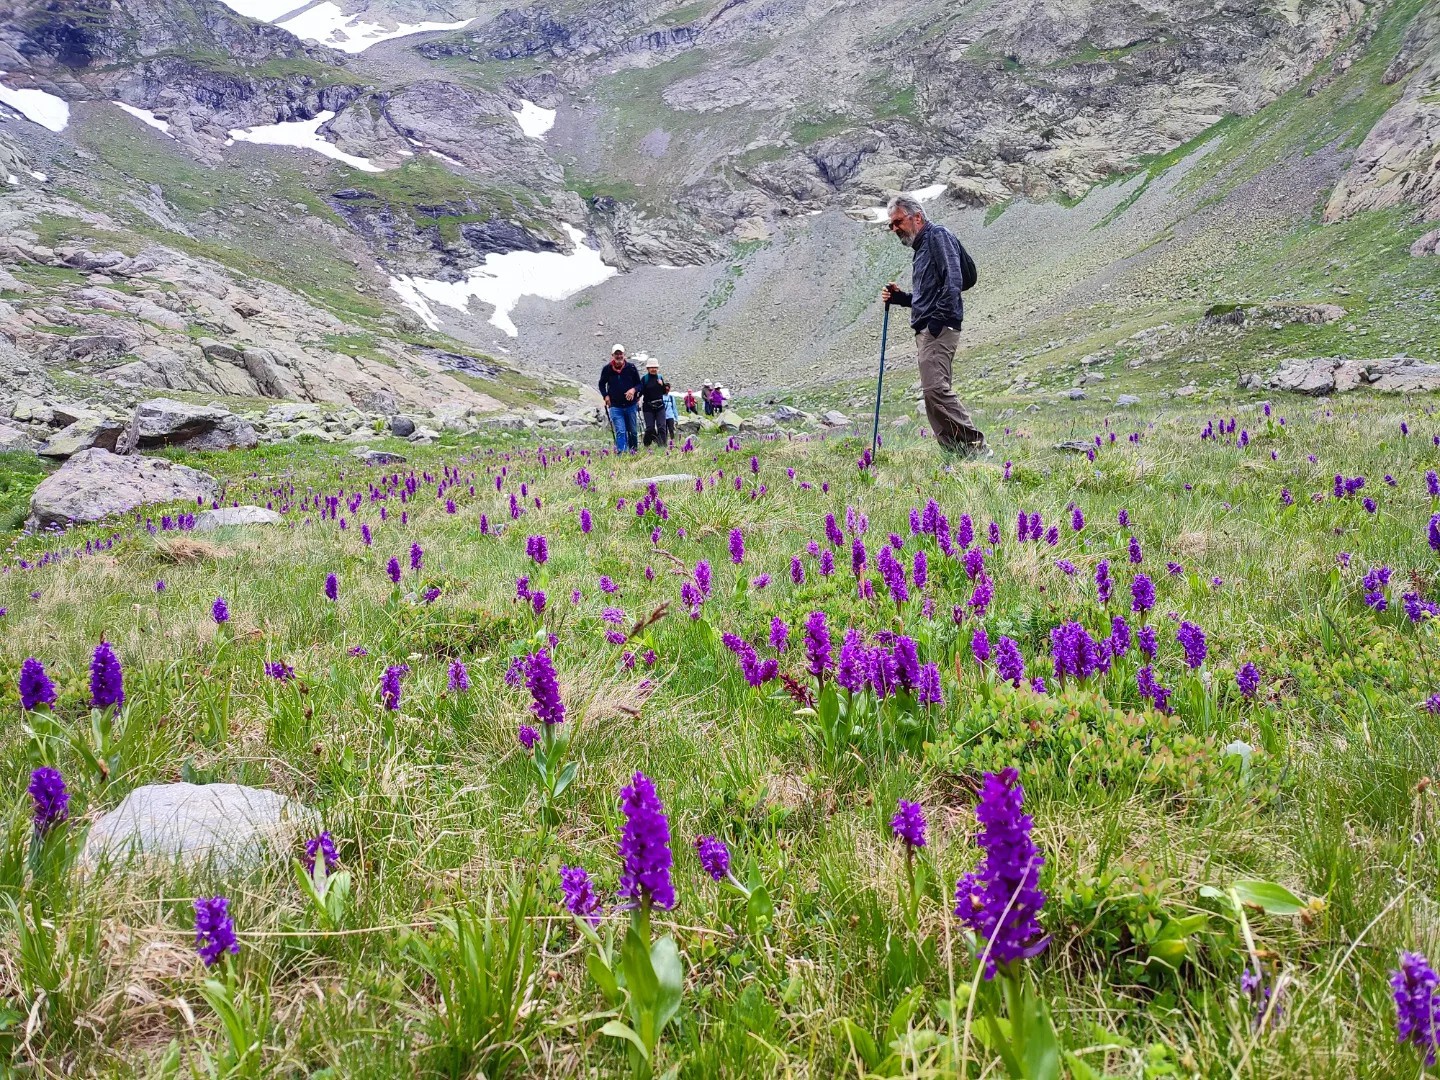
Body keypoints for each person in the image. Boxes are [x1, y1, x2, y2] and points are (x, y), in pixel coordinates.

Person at [881, 194, 988, 456]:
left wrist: (937, 323)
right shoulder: (920, 249)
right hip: (928, 327)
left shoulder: (937, 235)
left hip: (938, 328)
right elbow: (926, 296)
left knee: (935, 389)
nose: (895, 229)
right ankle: (954, 452)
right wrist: (900, 298)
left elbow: (954, 279)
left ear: (916, 217)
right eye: (891, 225)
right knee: (932, 396)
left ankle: (977, 445)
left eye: (898, 222)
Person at [598, 343, 641, 453]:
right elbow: (601, 384)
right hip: (615, 406)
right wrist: (605, 396)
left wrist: (633, 390)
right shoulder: (607, 369)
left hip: (631, 405)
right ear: (612, 355)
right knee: (620, 431)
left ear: (624, 354)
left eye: (620, 353)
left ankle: (633, 451)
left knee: (633, 431)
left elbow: (639, 384)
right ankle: (622, 454)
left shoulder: (631, 368)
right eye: (616, 354)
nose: (618, 356)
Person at [637, 357, 671, 447]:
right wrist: (636, 400)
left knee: (662, 427)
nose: (653, 369)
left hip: (660, 406)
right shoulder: (645, 379)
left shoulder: (660, 378)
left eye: (655, 367)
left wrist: (662, 385)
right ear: (648, 369)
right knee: (650, 428)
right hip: (648, 407)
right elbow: (640, 392)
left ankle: (662, 446)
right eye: (651, 367)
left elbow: (664, 392)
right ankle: (647, 444)